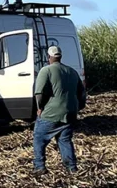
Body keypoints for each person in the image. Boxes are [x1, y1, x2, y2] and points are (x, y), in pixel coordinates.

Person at [32, 45, 86, 175]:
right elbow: (82, 93)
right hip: (70, 113)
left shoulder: (46, 71)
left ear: (48, 57)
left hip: (51, 113)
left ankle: (39, 167)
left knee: (39, 138)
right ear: (60, 56)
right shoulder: (72, 71)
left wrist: (40, 108)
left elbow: (39, 93)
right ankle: (71, 168)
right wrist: (78, 107)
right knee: (65, 139)